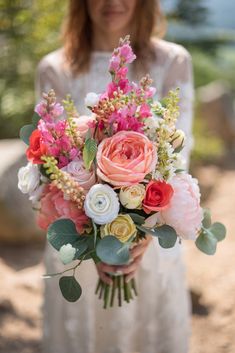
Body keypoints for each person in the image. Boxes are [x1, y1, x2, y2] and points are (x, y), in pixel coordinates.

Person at [36, 1, 194, 352]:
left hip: (148, 237)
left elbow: (177, 156)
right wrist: (91, 236)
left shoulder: (173, 61)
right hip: (77, 235)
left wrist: (142, 231)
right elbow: (47, 159)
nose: (112, 3)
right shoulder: (54, 68)